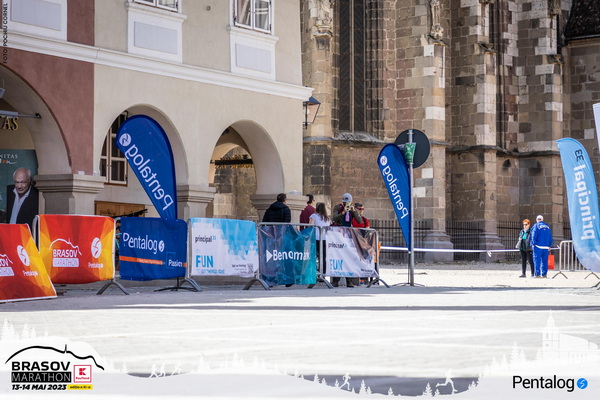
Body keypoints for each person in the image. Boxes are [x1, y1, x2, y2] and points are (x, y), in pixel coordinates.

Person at [331, 193, 362, 287]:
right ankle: (336, 280)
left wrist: (354, 212)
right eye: (345, 202)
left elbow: (359, 221)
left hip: (348, 235)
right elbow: (334, 218)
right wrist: (343, 212)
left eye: (348, 202)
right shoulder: (338, 207)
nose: (346, 204)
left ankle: (349, 280)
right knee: (338, 256)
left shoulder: (353, 209)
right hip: (338, 234)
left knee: (348, 257)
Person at [309, 202, 330, 275]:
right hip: (324, 238)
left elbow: (310, 226)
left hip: (316, 238)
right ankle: (323, 273)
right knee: (323, 257)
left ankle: (313, 272)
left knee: (314, 256)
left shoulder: (313, 216)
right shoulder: (327, 218)